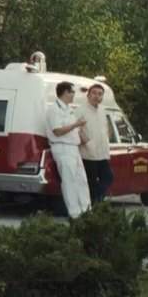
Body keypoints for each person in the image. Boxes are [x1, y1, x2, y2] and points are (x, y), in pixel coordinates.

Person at [46, 81, 91, 218]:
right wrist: (75, 124)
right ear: (65, 92)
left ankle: (86, 211)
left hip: (73, 148)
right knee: (69, 181)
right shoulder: (54, 109)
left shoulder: (69, 109)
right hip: (62, 148)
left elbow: (75, 130)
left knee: (81, 180)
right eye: (72, 92)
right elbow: (57, 131)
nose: (73, 95)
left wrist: (82, 133)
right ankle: (75, 214)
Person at [77, 83, 114, 204]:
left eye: (99, 94)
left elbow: (105, 128)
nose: (96, 96)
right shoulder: (80, 110)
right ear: (88, 95)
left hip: (102, 153)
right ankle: (93, 205)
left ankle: (97, 201)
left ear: (102, 97)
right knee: (91, 182)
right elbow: (74, 129)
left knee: (108, 177)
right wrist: (84, 140)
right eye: (94, 93)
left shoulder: (102, 110)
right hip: (88, 154)